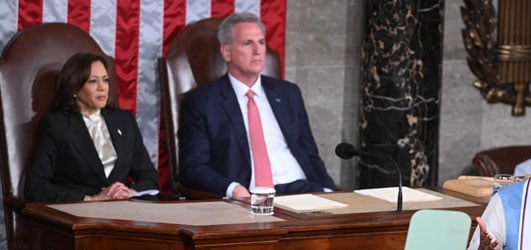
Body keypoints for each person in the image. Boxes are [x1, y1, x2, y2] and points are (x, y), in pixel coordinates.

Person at [177, 12, 336, 198]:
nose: (258, 50)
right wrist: (232, 188)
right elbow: (192, 168)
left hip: (300, 190)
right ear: (226, 52)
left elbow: (309, 153)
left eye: (261, 42)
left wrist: (328, 190)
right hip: (248, 195)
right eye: (247, 43)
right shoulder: (202, 102)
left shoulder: (288, 93)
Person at [25, 52, 158, 202]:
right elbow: (35, 187)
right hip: (79, 215)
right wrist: (91, 199)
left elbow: (149, 177)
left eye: (105, 80)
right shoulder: (56, 125)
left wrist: (128, 192)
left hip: (124, 210)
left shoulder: (124, 120)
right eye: (93, 81)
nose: (102, 88)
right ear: (75, 88)